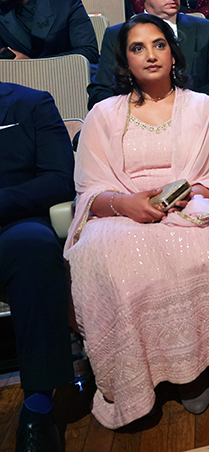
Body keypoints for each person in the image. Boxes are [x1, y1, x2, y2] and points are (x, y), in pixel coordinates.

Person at [66, 14, 209, 429]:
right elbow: (89, 191)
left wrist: (174, 200)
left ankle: (195, 368)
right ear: (123, 60)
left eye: (159, 44)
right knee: (116, 259)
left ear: (173, 51)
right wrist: (127, 205)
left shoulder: (203, 108)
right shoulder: (102, 115)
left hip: (191, 202)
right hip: (120, 209)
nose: (150, 55)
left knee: (208, 247)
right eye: (137, 48)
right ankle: (137, 378)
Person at [88, 0, 209, 175]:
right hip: (134, 114)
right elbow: (100, 91)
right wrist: (140, 107)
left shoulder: (205, 29)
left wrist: (178, 103)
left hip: (190, 113)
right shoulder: (117, 35)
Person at [1, 82, 75, 452]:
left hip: (14, 223)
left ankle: (38, 410)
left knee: (34, 248)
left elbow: (60, 177)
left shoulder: (30, 103)